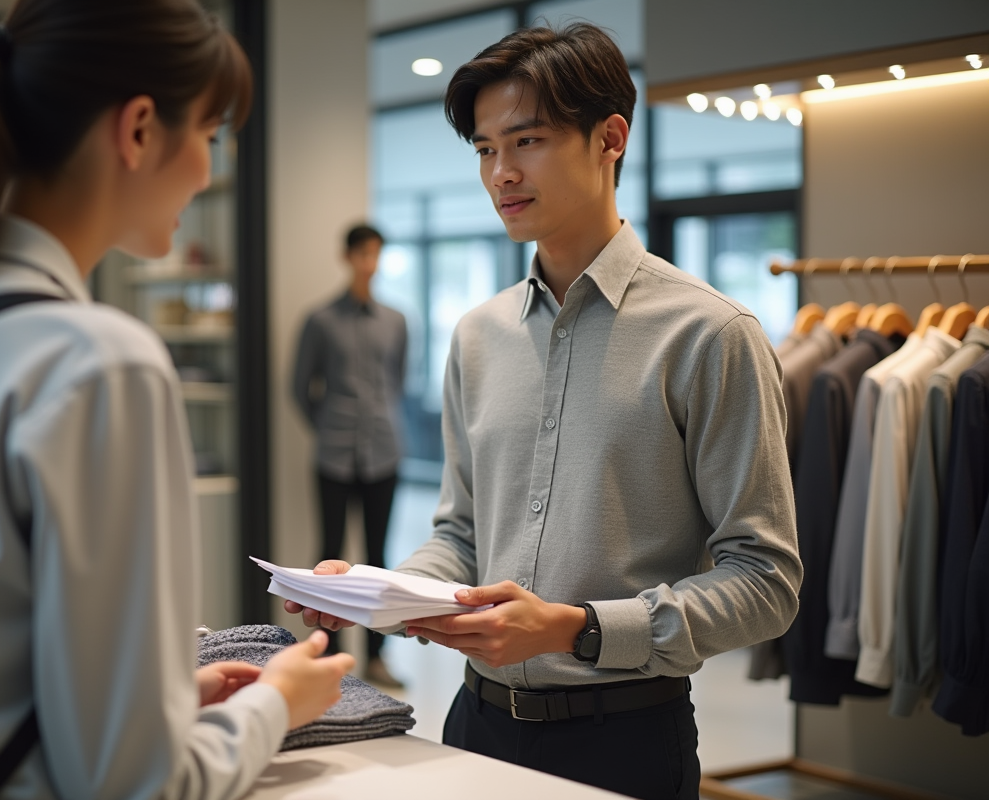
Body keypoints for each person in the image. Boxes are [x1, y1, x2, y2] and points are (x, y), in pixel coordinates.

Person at [0, 2, 353, 798]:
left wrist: (153, 706)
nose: (205, 168)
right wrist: (276, 704)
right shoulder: (99, 364)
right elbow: (136, 786)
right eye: (206, 133)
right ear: (137, 131)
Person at [285, 23, 802, 800]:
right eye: (486, 150)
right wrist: (381, 591)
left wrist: (577, 626)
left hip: (627, 737)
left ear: (610, 139)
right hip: (473, 727)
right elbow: (459, 534)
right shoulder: (478, 335)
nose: (502, 173)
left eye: (526, 140)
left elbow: (765, 580)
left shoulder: (711, 334)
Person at [292, 223, 408, 687]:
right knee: (330, 555)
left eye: (376, 254)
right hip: (334, 455)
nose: (370, 263)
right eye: (362, 254)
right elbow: (299, 388)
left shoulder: (396, 321)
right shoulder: (320, 321)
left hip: (383, 451)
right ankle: (328, 654)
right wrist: (326, 428)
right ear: (347, 257)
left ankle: (376, 656)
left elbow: (397, 380)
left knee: (378, 556)